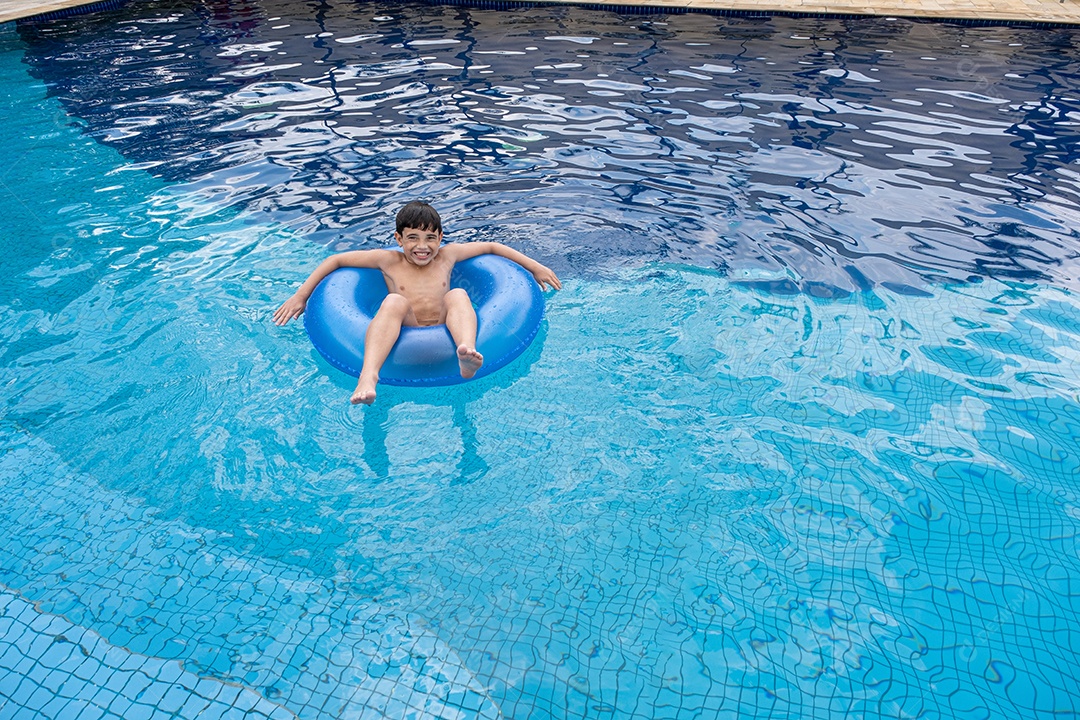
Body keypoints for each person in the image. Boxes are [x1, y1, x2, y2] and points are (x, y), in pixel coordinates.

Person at [273, 201, 561, 405]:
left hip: (446, 323)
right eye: (412, 238)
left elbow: (491, 247)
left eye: (430, 239)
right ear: (398, 238)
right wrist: (301, 295)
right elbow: (335, 260)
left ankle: (467, 353)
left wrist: (534, 266)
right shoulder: (387, 260)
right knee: (394, 301)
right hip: (407, 323)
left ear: (441, 238)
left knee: (458, 295)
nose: (422, 247)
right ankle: (368, 377)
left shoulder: (448, 255)